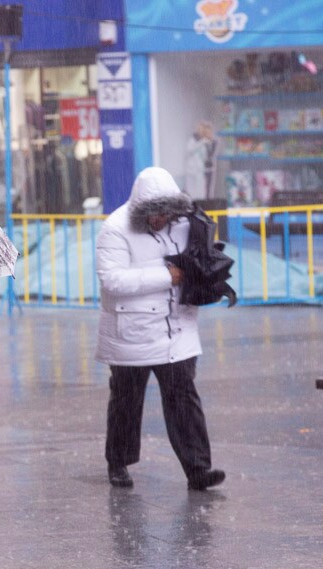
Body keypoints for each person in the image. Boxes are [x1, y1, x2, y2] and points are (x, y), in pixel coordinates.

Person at [95, 167, 226, 492]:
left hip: (177, 329)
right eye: (155, 214)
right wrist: (168, 276)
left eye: (167, 213)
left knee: (184, 399)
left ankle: (199, 469)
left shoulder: (185, 223)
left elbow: (196, 258)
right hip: (130, 332)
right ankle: (119, 462)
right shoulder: (114, 229)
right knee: (126, 400)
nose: (161, 219)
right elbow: (112, 280)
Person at [184, 121, 217, 200]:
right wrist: (202, 143)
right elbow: (189, 150)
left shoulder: (209, 142)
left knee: (203, 190)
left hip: (202, 169)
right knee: (192, 190)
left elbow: (207, 156)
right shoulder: (194, 140)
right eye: (201, 129)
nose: (202, 131)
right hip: (193, 169)